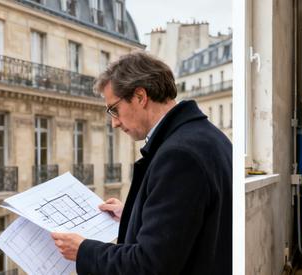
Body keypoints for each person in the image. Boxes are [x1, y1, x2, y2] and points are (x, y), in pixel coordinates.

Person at [50, 52, 232, 274]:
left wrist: (83, 251)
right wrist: (133, 214)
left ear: (140, 96)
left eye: (114, 110)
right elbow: (187, 221)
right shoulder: (208, 136)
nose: (114, 123)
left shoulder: (179, 156)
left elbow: (149, 265)